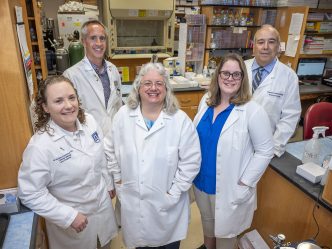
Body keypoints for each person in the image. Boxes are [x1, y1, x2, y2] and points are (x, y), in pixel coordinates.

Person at [104, 62, 201, 249]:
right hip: (133, 201)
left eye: (159, 83)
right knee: (140, 244)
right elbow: (109, 148)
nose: (153, 88)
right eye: (147, 83)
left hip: (167, 205)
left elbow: (192, 162)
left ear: (166, 88)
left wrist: (174, 193)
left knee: (168, 245)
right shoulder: (124, 116)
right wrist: (118, 178)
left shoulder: (179, 120)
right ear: (138, 87)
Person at [18, 75, 118, 249]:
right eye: (58, 101)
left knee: (104, 245)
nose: (69, 105)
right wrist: (68, 216)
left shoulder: (90, 122)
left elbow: (100, 157)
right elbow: (30, 193)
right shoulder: (40, 146)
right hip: (74, 224)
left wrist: (108, 183)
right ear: (45, 107)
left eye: (71, 98)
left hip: (102, 210)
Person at [193, 53, 274, 249]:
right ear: (218, 76)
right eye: (226, 73)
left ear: (243, 79)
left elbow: (265, 151)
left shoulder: (252, 110)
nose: (230, 79)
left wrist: (246, 182)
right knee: (208, 228)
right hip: (201, 184)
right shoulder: (206, 101)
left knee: (226, 239)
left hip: (230, 188)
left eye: (236, 75)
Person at [245, 24, 301, 157]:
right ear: (254, 46)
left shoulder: (289, 76)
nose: (265, 47)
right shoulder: (240, 68)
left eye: (271, 42)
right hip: (235, 141)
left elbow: (290, 117)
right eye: (260, 42)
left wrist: (274, 148)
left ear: (278, 47)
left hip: (266, 146)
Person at [63, 20, 122, 136]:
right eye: (93, 38)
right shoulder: (71, 76)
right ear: (84, 42)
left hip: (114, 137)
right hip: (89, 140)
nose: (99, 43)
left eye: (102, 38)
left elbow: (118, 105)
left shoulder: (113, 70)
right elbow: (68, 117)